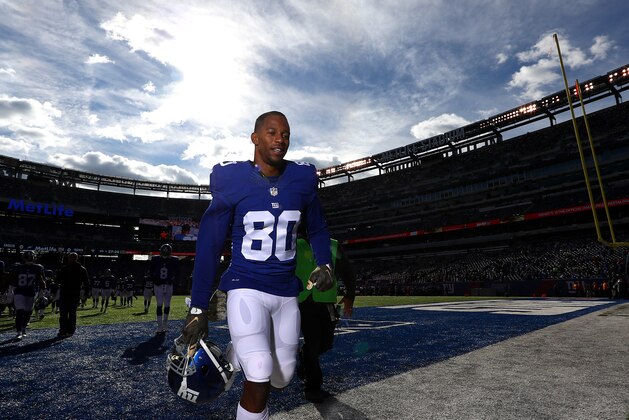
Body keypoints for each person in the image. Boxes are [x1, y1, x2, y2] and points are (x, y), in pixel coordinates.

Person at [180, 111, 333, 419]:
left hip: (285, 292)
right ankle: (247, 354)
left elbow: (316, 227)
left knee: (283, 376)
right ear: (255, 138)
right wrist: (198, 307)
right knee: (261, 369)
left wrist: (325, 264)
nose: (280, 139)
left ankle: (235, 353)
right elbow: (209, 245)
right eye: (272, 132)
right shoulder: (231, 178)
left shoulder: (303, 178)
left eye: (286, 134)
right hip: (245, 286)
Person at [295, 235, 356, 402]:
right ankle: (313, 386)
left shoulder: (333, 245)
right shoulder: (293, 243)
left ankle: (305, 356)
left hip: (327, 302)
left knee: (326, 343)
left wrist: (350, 295)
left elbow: (347, 271)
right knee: (313, 343)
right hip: (304, 302)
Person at [8, 250, 46, 341]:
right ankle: (18, 332)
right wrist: (9, 290)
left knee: (28, 312)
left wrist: (42, 291)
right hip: (19, 292)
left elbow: (41, 281)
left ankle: (23, 328)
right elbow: (11, 279)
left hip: (31, 292)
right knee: (20, 311)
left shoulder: (38, 268)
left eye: (31, 256)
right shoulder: (18, 267)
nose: (29, 258)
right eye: (28, 256)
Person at [56, 252, 90, 338]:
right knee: (70, 313)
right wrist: (86, 292)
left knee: (65, 313)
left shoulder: (65, 268)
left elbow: (57, 280)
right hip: (73, 293)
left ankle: (64, 330)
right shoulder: (82, 269)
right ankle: (69, 330)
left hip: (67, 293)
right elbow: (86, 282)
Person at [150, 243, 180, 333]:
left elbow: (178, 273)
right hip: (159, 285)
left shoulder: (174, 260)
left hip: (168, 284)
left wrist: (173, 280)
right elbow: (151, 272)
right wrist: (155, 280)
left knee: (167, 304)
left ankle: (165, 324)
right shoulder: (155, 259)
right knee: (159, 304)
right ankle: (160, 325)